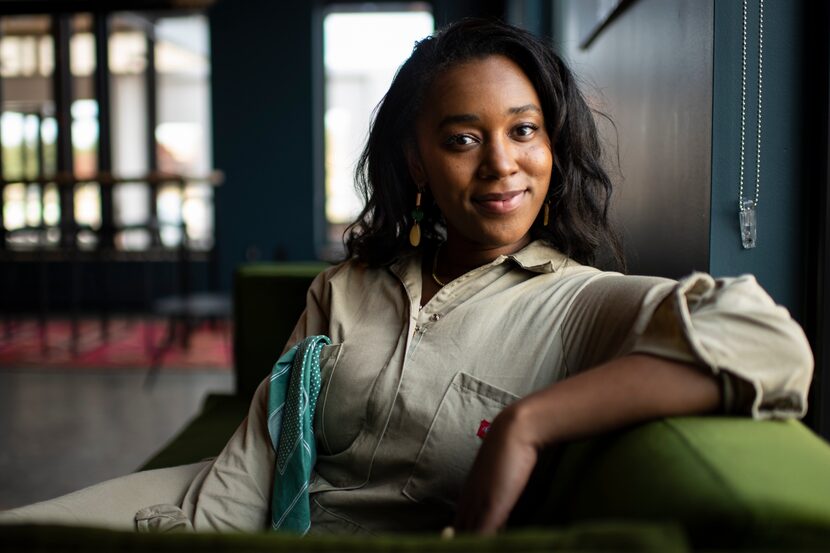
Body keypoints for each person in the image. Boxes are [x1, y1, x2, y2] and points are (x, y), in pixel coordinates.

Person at [0, 19, 813, 535]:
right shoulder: (344, 288)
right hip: (230, 508)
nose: (502, 162)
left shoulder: (580, 305)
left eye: (524, 131)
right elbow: (259, 460)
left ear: (553, 146)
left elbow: (766, 339)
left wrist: (527, 423)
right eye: (463, 138)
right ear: (416, 162)